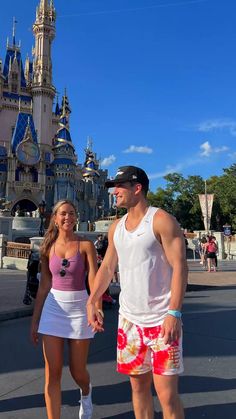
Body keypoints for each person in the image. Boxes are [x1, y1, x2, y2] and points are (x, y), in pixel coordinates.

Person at [87, 166, 188, 419]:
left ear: (137, 188)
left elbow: (180, 267)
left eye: (119, 186)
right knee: (138, 389)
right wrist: (92, 300)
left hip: (161, 322)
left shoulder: (161, 220)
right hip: (129, 322)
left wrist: (174, 312)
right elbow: (108, 267)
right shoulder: (116, 228)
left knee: (166, 395)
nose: (114, 192)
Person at [30, 199, 102, 419]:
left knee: (78, 371)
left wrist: (96, 308)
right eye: (63, 214)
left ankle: (86, 393)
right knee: (52, 373)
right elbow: (44, 286)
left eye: (71, 213)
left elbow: (94, 282)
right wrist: (35, 321)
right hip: (53, 309)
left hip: (79, 308)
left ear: (76, 217)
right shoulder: (47, 247)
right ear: (55, 218)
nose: (67, 218)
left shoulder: (86, 245)